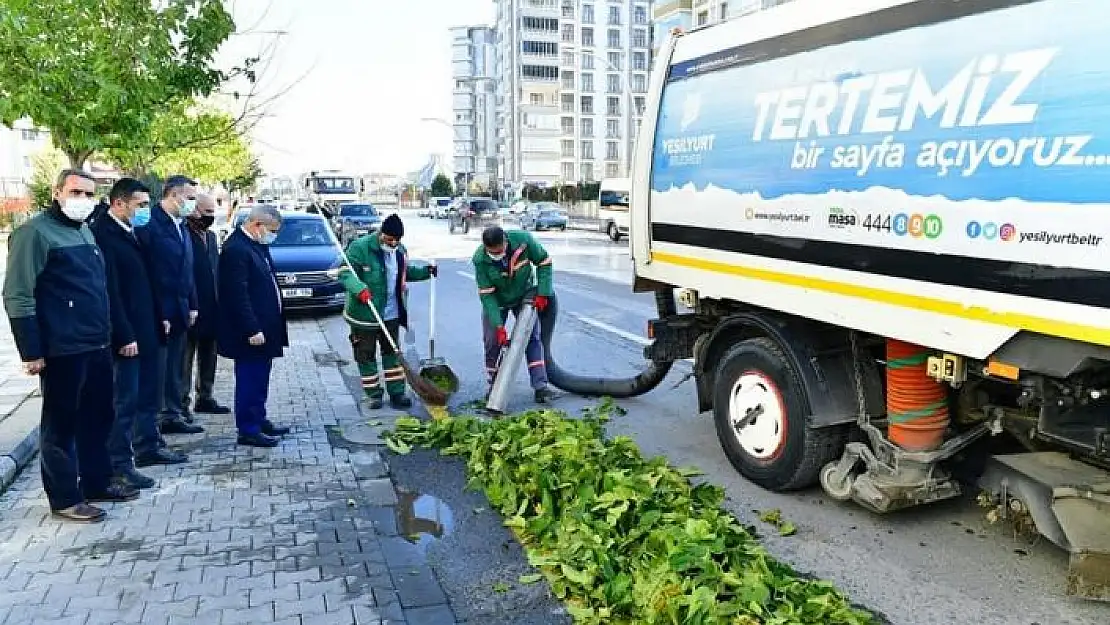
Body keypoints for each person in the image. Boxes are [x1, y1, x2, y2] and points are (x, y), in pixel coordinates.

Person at [2, 169, 139, 523]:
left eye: (89, 193)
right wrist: (31, 351)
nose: (83, 200)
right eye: (76, 192)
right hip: (62, 347)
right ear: (57, 192)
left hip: (95, 343)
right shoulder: (33, 233)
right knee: (61, 424)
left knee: (98, 417)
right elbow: (17, 294)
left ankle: (96, 481)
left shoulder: (83, 230)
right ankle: (64, 497)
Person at [91, 178, 188, 485]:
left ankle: (148, 445)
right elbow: (112, 292)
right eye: (141, 205)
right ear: (119, 203)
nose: (146, 211)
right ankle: (120, 463)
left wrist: (163, 316)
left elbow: (150, 281)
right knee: (125, 401)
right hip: (128, 335)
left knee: (149, 394)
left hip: (150, 328)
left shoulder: (135, 232)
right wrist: (124, 335)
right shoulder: (104, 236)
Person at [338, 214, 435, 409]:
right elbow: (344, 272)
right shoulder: (360, 248)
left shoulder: (400, 251)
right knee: (365, 355)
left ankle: (397, 392)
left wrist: (426, 271)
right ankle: (373, 394)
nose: (392, 243)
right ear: (381, 233)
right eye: (389, 239)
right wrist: (359, 289)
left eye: (396, 240)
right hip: (365, 315)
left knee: (391, 353)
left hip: (391, 314)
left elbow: (405, 273)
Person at [217, 204, 291, 447]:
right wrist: (251, 328)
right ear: (257, 225)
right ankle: (248, 428)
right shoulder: (236, 249)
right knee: (250, 378)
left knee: (261, 378)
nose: (273, 236)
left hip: (266, 327)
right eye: (272, 230)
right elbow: (237, 294)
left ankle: (259, 419)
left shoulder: (256, 245)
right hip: (251, 332)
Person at [136, 175, 204, 435]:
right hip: (161, 310)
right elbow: (150, 273)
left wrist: (193, 304)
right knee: (160, 369)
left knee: (176, 365)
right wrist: (159, 311)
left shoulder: (182, 225)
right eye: (189, 198)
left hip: (181, 307)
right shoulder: (150, 225)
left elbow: (187, 269)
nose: (193, 204)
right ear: (173, 196)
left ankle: (174, 413)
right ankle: (158, 420)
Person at [472, 225, 555, 403]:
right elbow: (487, 295)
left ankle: (540, 386)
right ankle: (494, 387)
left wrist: (543, 292)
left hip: (523, 293)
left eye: (500, 251)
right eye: (492, 252)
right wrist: (499, 327)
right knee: (491, 341)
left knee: (531, 336)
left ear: (506, 241)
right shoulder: (480, 260)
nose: (497, 254)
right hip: (497, 300)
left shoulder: (523, 241)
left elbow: (544, 262)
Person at [182, 193, 229, 420]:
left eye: (213, 211)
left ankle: (205, 396)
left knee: (209, 354)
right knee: (185, 359)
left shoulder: (210, 237)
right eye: (207, 212)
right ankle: (181, 404)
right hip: (191, 307)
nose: (211, 216)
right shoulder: (183, 234)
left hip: (212, 306)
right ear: (193, 210)